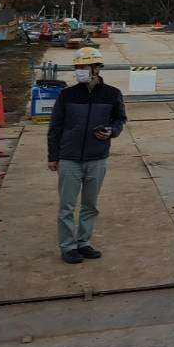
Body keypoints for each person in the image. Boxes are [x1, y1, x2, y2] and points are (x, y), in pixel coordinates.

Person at [48, 46, 126, 264]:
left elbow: (120, 119)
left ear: (96, 68)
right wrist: (52, 156)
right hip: (69, 159)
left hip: (97, 159)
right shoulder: (67, 95)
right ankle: (68, 246)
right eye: (77, 67)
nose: (79, 70)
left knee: (90, 205)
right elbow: (55, 127)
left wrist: (112, 131)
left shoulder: (112, 94)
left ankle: (83, 242)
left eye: (83, 66)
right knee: (67, 207)